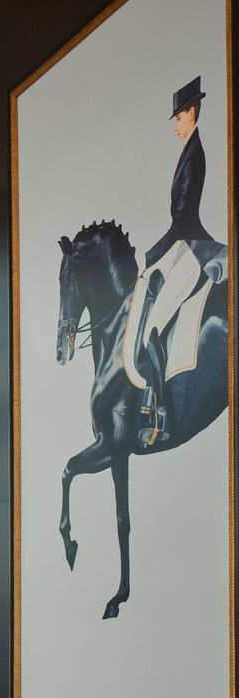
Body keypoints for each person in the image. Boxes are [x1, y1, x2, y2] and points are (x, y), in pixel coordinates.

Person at [139, 77, 214, 446]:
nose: (175, 126)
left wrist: (153, 253)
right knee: (148, 286)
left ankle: (161, 412)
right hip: (183, 244)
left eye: (178, 118)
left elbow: (183, 220)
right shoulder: (189, 151)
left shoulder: (195, 155)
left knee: (152, 328)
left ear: (192, 112)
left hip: (192, 248)